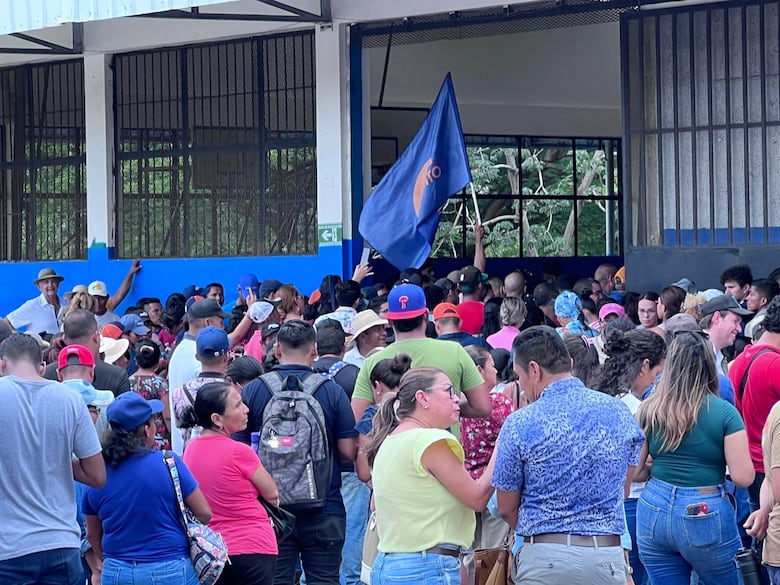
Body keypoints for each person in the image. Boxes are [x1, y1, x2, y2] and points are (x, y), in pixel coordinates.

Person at [492, 326, 644, 585]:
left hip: (544, 558)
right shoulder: (619, 412)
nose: (522, 385)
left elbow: (506, 507)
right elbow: (623, 488)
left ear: (534, 370)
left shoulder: (520, 423)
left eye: (519, 377)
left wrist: (540, 532)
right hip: (605, 557)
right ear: (570, 363)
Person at [236, 319, 357, 585]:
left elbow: (239, 453)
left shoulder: (255, 390)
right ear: (314, 349)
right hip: (325, 507)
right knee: (325, 580)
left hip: (271, 511)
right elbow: (349, 451)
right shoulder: (332, 391)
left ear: (277, 350)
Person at [634, 331, 754, 585]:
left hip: (653, 507)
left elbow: (634, 471)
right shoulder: (725, 413)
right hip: (704, 508)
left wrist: (651, 466)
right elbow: (743, 477)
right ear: (709, 364)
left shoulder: (650, 408)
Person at [364, 367, 497, 585]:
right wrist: (503, 445)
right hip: (426, 567)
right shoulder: (430, 441)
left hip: (390, 565)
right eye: (449, 391)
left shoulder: (389, 441)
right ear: (422, 397)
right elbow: (477, 498)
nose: (458, 399)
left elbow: (375, 504)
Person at [0, 333, 105, 585]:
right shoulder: (71, 401)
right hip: (61, 543)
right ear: (43, 367)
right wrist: (53, 458)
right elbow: (97, 475)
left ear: (2, 363)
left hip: (9, 548)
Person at [83, 392, 212, 585]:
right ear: (146, 430)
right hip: (170, 568)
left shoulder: (98, 472)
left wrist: (111, 561)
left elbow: (93, 534)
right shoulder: (168, 463)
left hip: (117, 571)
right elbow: (204, 513)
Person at [351, 283, 491, 426]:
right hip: (443, 445)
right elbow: (482, 407)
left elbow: (358, 418)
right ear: (425, 316)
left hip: (392, 445)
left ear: (389, 321)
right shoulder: (454, 351)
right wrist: (444, 407)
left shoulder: (372, 361)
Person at [182, 381, 279, 584]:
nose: (246, 409)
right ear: (217, 419)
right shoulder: (239, 451)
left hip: (212, 552)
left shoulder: (190, 450)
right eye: (237, 406)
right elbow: (272, 495)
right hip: (254, 547)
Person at [596, 329, 667, 585]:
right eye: (658, 374)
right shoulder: (638, 408)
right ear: (645, 365)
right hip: (634, 503)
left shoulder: (600, 399)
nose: (659, 381)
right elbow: (635, 468)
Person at [354, 354, 413, 484]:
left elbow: (364, 472)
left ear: (378, 386)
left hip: (386, 489)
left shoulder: (372, 415)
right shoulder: (417, 410)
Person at [44, 309, 131, 396]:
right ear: (96, 337)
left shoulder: (46, 374)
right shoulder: (117, 376)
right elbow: (124, 408)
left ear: (64, 339)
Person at [129, 339, 171, 450]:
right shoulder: (160, 383)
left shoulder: (128, 381)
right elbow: (167, 415)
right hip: (158, 436)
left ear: (136, 361)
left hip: (134, 436)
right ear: (158, 362)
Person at [6, 267, 66, 336]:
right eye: (46, 282)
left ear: (58, 284)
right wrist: (21, 338)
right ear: (39, 287)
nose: (50, 285)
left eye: (53, 281)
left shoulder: (66, 303)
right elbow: (7, 322)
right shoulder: (31, 306)